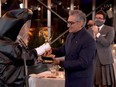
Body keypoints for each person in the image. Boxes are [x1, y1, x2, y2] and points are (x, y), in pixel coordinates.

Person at [45, 10, 96, 87]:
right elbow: (64, 49)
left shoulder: (88, 40)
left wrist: (60, 63)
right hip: (69, 78)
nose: (68, 26)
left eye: (71, 23)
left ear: (80, 23)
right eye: (68, 22)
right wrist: (52, 50)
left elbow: (82, 63)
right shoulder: (70, 35)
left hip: (81, 81)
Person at [0, 8, 50, 87]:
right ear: (14, 28)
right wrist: (41, 49)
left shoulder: (8, 41)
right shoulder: (4, 42)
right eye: (22, 27)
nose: (26, 30)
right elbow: (23, 56)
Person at [88, 10, 115, 87]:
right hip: (92, 59)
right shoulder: (89, 30)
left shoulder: (110, 29)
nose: (97, 19)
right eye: (96, 18)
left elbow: (107, 43)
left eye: (100, 18)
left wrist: (97, 34)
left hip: (104, 60)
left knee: (105, 83)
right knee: (92, 83)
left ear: (104, 20)